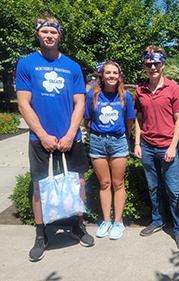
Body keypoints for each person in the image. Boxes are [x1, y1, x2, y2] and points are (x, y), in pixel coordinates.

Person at [16, 15, 94, 262]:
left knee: (78, 183)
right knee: (40, 187)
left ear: (60, 35)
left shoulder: (72, 67)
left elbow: (80, 102)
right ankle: (42, 235)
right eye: (45, 31)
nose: (49, 36)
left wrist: (71, 133)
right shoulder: (26, 64)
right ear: (38, 34)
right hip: (39, 139)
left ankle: (78, 225)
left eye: (53, 32)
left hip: (71, 137)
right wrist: (42, 135)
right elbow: (23, 104)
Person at [134, 45, 179, 250]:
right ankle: (158, 220)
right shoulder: (140, 89)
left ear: (163, 64)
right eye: (149, 64)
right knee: (153, 187)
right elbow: (139, 119)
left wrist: (174, 147)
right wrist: (138, 143)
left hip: (167, 146)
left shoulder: (173, 88)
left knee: (173, 191)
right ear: (145, 66)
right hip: (147, 146)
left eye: (157, 63)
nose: (153, 67)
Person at [84, 61, 135, 240]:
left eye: (115, 73)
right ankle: (106, 220)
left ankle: (118, 221)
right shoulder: (92, 96)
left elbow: (130, 120)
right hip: (97, 142)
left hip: (118, 142)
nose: (112, 76)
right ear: (102, 76)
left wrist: (122, 135)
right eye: (108, 73)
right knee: (104, 184)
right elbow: (87, 120)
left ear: (119, 75)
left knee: (118, 183)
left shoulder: (125, 96)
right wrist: (97, 135)